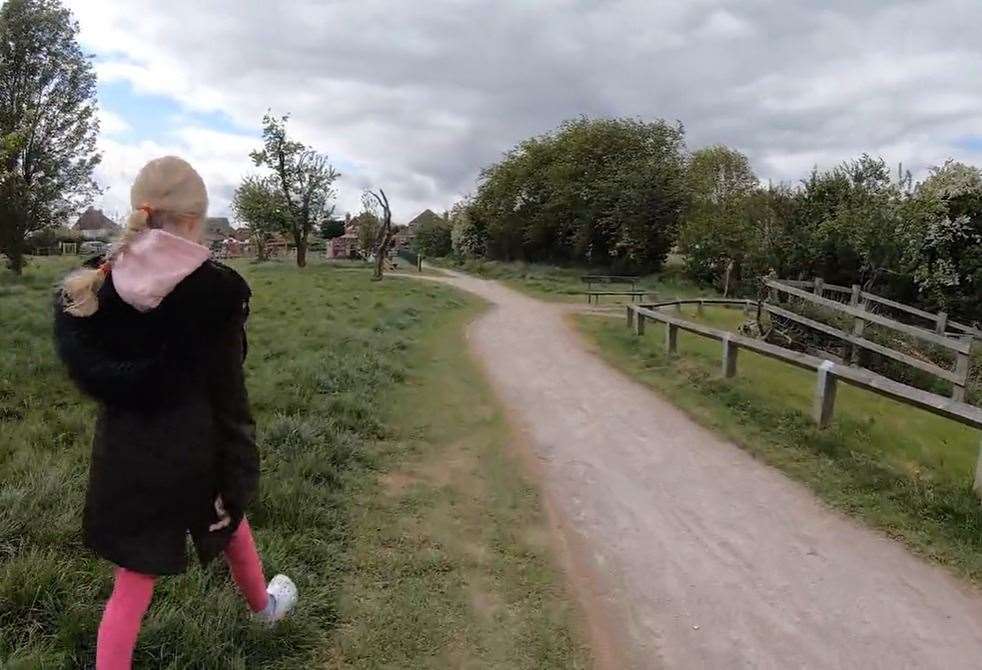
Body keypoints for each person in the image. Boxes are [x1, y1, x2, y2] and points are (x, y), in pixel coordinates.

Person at [54, 156, 297, 670]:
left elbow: (101, 373)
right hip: (198, 449)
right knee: (228, 516)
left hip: (126, 452)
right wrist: (236, 469)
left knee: (133, 580)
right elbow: (229, 393)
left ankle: (260, 606)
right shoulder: (218, 291)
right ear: (194, 220)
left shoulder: (99, 281)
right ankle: (264, 607)